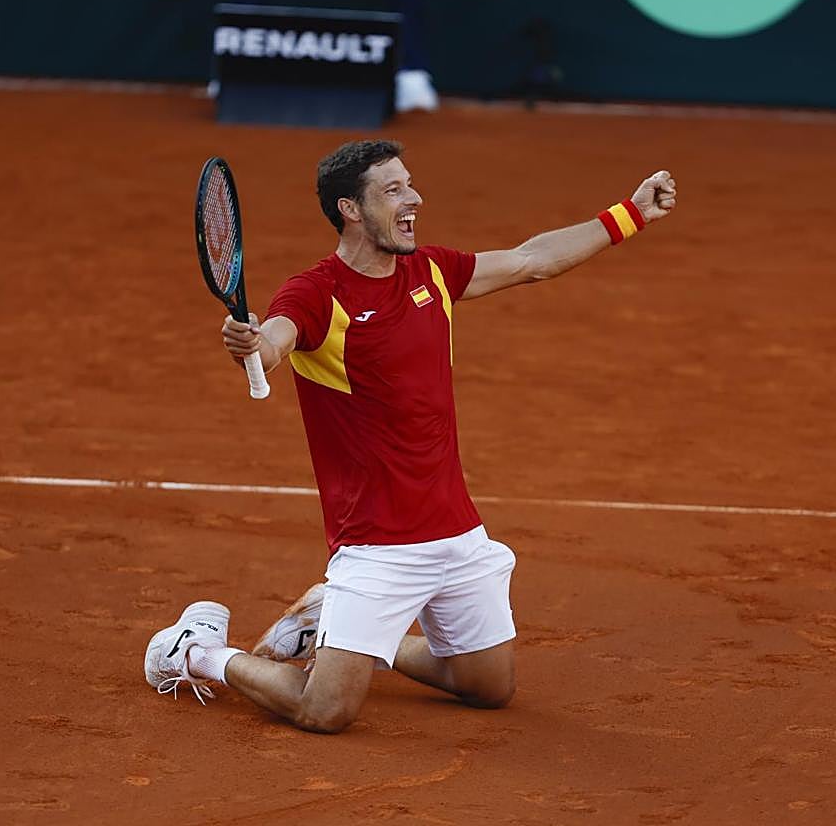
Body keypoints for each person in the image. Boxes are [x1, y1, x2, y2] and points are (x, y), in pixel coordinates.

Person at [144, 140, 676, 733]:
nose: (414, 198)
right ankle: (194, 651)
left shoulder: (433, 271)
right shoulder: (316, 293)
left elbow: (532, 259)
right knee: (325, 711)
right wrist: (254, 346)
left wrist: (629, 213)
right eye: (393, 190)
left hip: (456, 531)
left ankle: (338, 629)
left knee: (488, 687)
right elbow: (275, 341)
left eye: (410, 185)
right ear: (350, 208)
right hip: (376, 544)